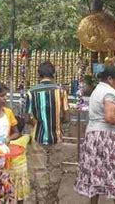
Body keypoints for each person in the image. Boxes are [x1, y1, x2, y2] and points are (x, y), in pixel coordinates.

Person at [75, 64, 115, 204]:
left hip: (93, 137)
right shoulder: (110, 93)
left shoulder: (97, 90)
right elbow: (109, 118)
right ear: (110, 79)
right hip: (107, 138)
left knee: (95, 173)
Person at [25, 61, 69, 204]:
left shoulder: (31, 92)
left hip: (38, 137)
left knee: (40, 171)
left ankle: (41, 200)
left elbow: (27, 118)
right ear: (53, 74)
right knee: (55, 169)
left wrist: (38, 122)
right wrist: (56, 121)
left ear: (39, 74)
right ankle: (52, 200)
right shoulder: (61, 91)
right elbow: (67, 117)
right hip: (56, 136)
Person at [9, 117, 31, 203]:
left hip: (10, 171)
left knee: (10, 194)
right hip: (22, 171)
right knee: (20, 195)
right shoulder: (25, 138)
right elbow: (32, 135)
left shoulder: (7, 142)